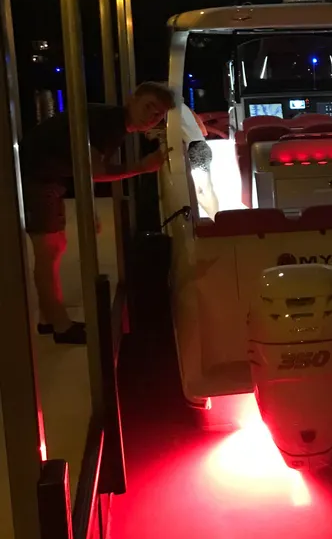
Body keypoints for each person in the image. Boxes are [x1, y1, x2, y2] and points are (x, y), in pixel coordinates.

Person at [21, 81, 175, 345]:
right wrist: (142, 167)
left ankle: (50, 318)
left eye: (158, 114)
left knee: (53, 247)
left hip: (43, 177)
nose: (151, 116)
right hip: (36, 177)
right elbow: (96, 171)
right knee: (48, 251)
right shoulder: (110, 123)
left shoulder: (111, 120)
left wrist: (90, 207)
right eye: (148, 106)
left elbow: (85, 164)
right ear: (132, 99)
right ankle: (60, 326)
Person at [180, 102, 219, 220]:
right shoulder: (184, 107)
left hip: (195, 149)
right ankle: (216, 218)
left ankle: (215, 219)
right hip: (201, 145)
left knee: (200, 191)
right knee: (205, 188)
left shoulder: (172, 111)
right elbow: (202, 129)